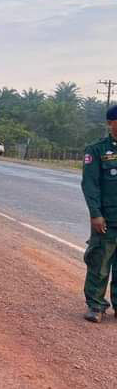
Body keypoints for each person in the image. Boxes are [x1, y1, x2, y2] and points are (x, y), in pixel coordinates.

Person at [81, 104, 117, 323]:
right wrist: (95, 214)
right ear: (110, 123)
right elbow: (90, 184)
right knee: (100, 262)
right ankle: (96, 305)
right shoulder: (97, 150)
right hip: (107, 219)